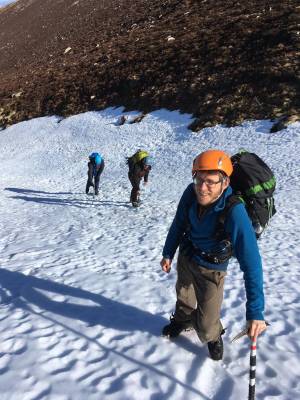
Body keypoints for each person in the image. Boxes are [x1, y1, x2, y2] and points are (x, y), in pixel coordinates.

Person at [160, 149, 267, 361]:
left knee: (207, 324)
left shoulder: (234, 212)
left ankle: (213, 335)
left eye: (210, 182)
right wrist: (168, 252)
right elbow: (178, 223)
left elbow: (252, 264)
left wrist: (255, 313)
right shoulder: (190, 193)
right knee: (184, 295)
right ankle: (183, 320)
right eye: (199, 179)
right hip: (187, 254)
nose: (202, 187)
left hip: (212, 268)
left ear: (225, 183)